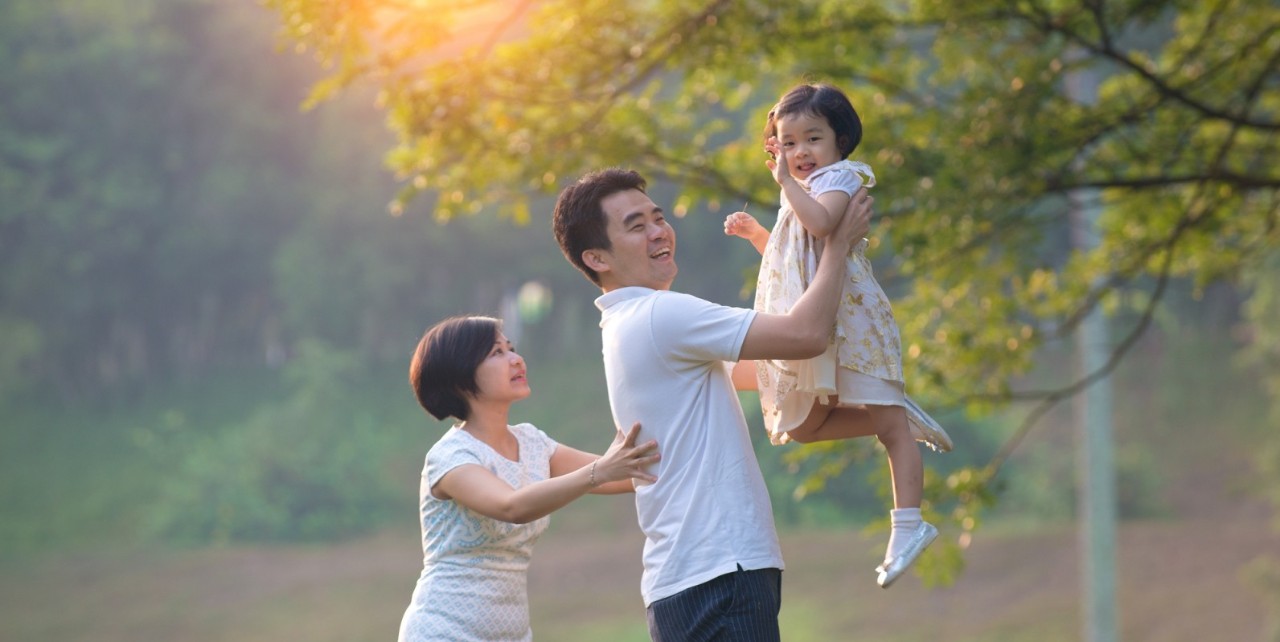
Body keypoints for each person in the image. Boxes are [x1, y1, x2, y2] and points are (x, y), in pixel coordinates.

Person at [552, 167, 872, 641]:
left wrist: (881, 407)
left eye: (658, 217)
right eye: (636, 226)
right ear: (596, 258)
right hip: (720, 572)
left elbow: (776, 375)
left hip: (692, 578)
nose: (659, 232)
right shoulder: (660, 315)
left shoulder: (627, 324)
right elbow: (804, 336)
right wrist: (837, 244)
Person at [722, 82, 952, 588]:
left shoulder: (840, 178)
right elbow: (793, 260)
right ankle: (897, 414)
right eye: (788, 142)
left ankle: (908, 525)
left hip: (852, 326)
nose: (800, 152)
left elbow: (825, 226)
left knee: (891, 432)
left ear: (840, 140)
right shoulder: (799, 194)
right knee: (804, 426)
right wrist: (758, 234)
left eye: (813, 138)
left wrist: (786, 184)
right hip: (815, 322)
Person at [397, 315, 661, 642]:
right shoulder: (451, 456)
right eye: (496, 353)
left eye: (511, 348)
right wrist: (599, 471)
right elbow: (512, 507)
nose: (516, 359)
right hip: (443, 631)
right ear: (459, 376)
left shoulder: (532, 443)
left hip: (513, 633)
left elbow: (622, 475)